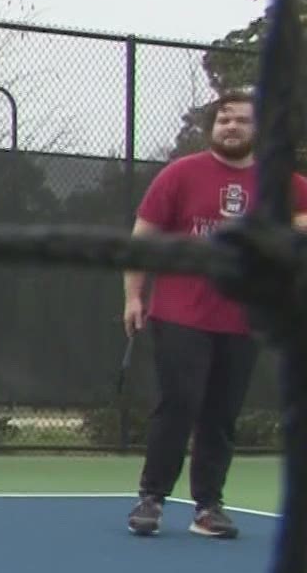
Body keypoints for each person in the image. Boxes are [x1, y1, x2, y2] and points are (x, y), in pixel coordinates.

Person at [123, 90, 307, 539]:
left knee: (222, 414)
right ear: (212, 128)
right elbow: (143, 238)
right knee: (179, 404)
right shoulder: (180, 175)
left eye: (241, 120)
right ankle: (152, 498)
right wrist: (133, 295)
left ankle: (208, 507)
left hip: (243, 320)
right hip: (180, 313)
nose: (231, 127)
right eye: (223, 119)